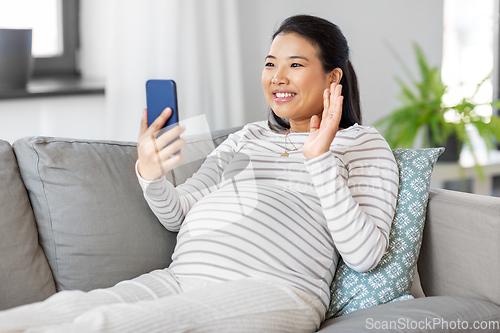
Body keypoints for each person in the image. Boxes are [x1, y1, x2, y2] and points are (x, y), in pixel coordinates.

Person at [0, 14, 398, 333]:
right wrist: (151, 174)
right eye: (270, 64)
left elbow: (365, 255)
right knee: (52, 314)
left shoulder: (363, 143)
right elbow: (179, 213)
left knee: (103, 326)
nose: (277, 77)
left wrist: (318, 158)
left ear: (333, 77)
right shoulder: (247, 137)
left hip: (273, 290)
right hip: (180, 278)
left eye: (295, 64)